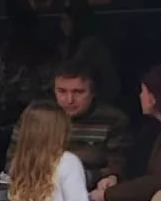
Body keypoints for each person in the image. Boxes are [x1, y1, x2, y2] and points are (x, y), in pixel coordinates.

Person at [92, 63, 161, 201]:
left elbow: (160, 181)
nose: (140, 96)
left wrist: (108, 196)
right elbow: (135, 167)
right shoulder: (151, 128)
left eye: (143, 91)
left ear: (153, 98)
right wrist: (114, 178)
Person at [0, 10, 56, 173]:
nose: (20, 32)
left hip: (34, 125)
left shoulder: (45, 54)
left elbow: (51, 91)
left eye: (26, 27)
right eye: (16, 27)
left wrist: (28, 111)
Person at [54, 62, 130, 190]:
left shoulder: (112, 120)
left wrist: (90, 177)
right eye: (62, 91)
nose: (69, 100)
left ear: (93, 92)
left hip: (92, 191)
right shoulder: (39, 118)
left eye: (78, 92)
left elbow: (118, 167)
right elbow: (20, 161)